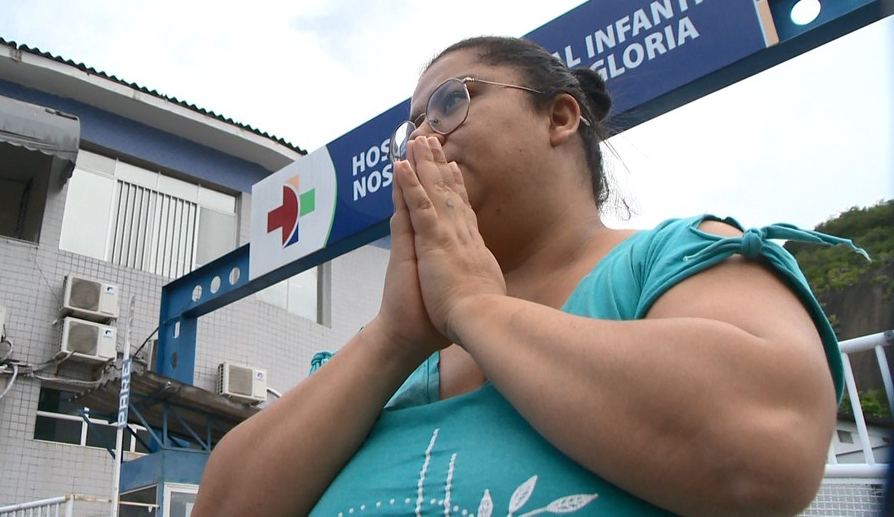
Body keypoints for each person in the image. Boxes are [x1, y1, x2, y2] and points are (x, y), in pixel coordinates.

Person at [193, 36, 864, 516]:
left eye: (450, 102)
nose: (424, 137)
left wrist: (476, 307)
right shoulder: (385, 358)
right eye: (413, 127)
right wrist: (394, 337)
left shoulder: (672, 257)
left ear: (560, 116)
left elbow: (764, 446)